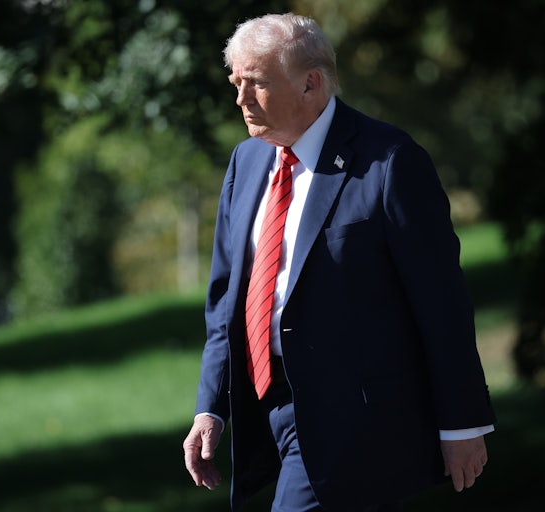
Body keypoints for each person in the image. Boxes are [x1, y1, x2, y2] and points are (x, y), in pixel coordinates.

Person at [182, 12, 497, 512]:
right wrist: (210, 410)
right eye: (235, 83)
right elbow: (227, 302)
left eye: (256, 83)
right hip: (269, 408)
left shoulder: (389, 162)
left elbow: (441, 304)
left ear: (311, 83)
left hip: (354, 418)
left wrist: (462, 423)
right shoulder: (246, 162)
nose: (240, 99)